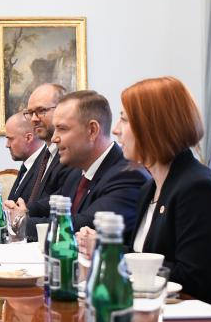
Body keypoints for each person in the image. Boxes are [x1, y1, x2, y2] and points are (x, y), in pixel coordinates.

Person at [77, 77, 211, 308]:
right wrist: (104, 246)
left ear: (153, 126)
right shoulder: (150, 187)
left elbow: (190, 278)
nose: (115, 130)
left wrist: (113, 255)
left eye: (124, 119)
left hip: (202, 319)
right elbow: (143, 255)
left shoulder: (198, 188)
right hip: (155, 309)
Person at [25, 90, 149, 238]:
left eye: (62, 129)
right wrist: (23, 211)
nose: (54, 138)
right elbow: (50, 204)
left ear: (92, 130)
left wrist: (20, 223)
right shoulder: (76, 172)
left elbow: (82, 225)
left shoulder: (128, 176)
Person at [22, 83, 71, 213]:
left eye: (41, 111)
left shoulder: (72, 154)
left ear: (62, 110)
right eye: (30, 113)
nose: (33, 119)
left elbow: (62, 201)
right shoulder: (44, 153)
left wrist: (25, 212)